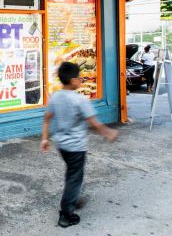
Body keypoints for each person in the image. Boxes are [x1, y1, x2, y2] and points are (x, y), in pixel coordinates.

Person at [40, 62, 118, 228]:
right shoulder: (80, 99)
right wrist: (109, 132)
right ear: (74, 80)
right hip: (76, 147)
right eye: (80, 78)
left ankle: (74, 198)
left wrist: (44, 139)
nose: (81, 80)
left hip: (61, 145)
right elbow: (94, 123)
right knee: (74, 178)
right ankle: (66, 215)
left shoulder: (56, 97)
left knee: (72, 175)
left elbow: (46, 118)